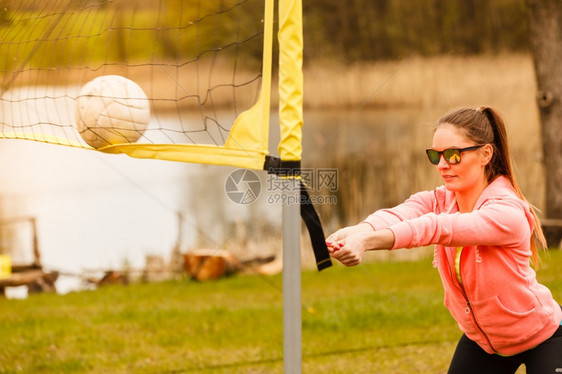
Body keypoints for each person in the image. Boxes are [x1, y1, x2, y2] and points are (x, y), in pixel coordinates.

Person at [326, 106, 562, 374]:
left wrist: (367, 242)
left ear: (486, 154)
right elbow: (401, 214)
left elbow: (439, 228)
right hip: (484, 343)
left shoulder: (506, 211)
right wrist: (357, 231)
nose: (442, 165)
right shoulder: (441, 199)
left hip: (543, 338)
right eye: (435, 155)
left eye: (453, 155)